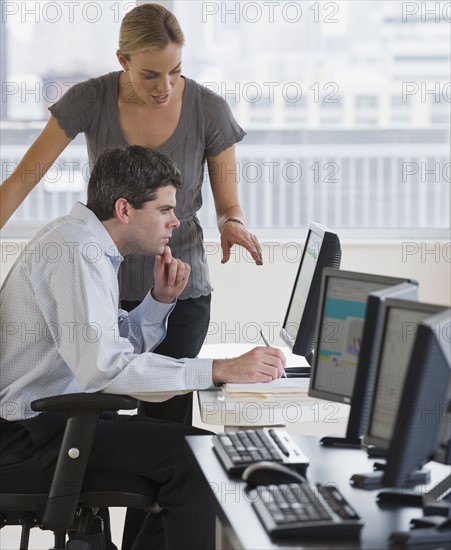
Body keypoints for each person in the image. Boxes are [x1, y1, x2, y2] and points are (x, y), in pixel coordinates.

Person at [0, 145, 285, 549]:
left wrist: (160, 300)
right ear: (124, 210)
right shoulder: (77, 251)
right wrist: (218, 369)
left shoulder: (83, 243)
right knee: (200, 460)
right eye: (165, 209)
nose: (176, 220)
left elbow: (110, 347)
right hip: (29, 437)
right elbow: (105, 369)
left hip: (56, 424)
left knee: (196, 450)